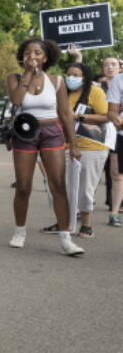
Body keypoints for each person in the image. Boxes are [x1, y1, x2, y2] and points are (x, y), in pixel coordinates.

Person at [3, 38, 83, 255]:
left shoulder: (56, 81)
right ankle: (20, 232)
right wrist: (27, 75)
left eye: (37, 53)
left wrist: (73, 144)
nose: (33, 56)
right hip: (25, 133)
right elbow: (17, 101)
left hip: (51, 133)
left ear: (46, 57)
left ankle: (66, 238)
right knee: (23, 186)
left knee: (58, 184)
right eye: (28, 53)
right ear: (22, 57)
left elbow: (65, 114)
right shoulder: (15, 78)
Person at [51, 61, 109, 237]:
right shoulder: (62, 93)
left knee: (85, 188)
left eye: (76, 75)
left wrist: (80, 117)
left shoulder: (95, 92)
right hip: (64, 146)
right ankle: (65, 222)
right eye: (69, 74)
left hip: (91, 147)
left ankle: (86, 224)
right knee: (63, 187)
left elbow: (106, 116)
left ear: (85, 77)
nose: (71, 78)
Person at [100, 56, 123, 226]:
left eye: (113, 64)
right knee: (117, 175)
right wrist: (117, 121)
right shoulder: (118, 80)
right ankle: (114, 213)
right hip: (120, 134)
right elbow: (112, 111)